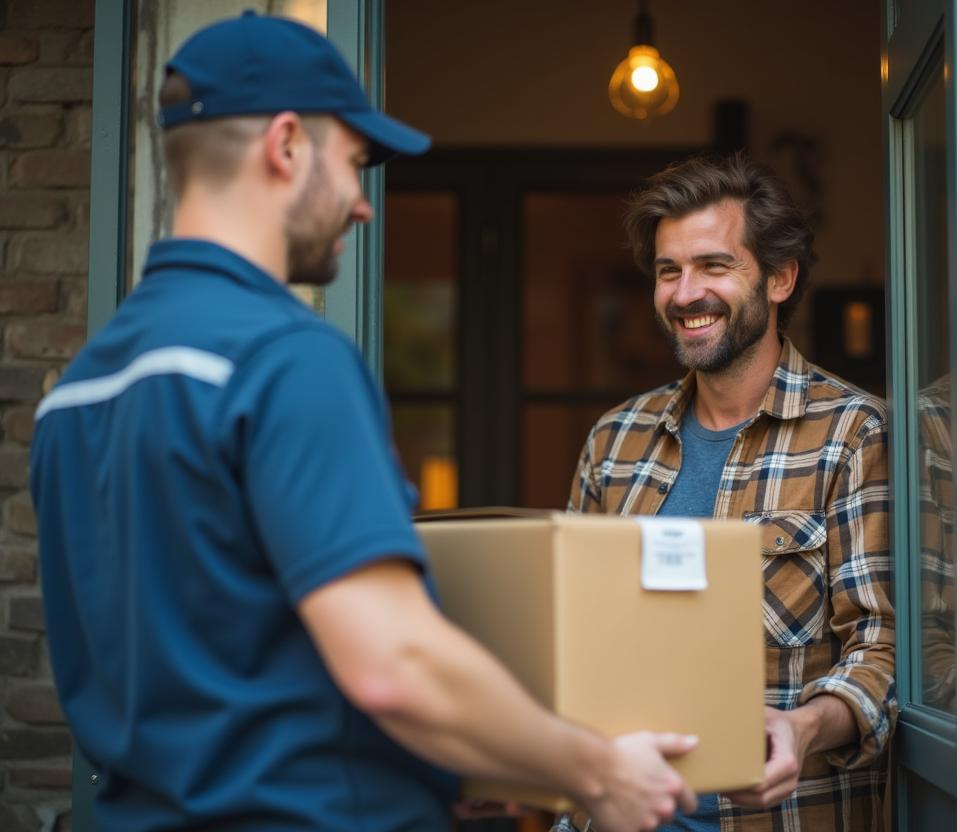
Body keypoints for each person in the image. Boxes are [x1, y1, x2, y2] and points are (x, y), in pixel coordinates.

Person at [29, 13, 696, 832]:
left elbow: (214, 658)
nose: (363, 206)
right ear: (285, 145)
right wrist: (596, 771)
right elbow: (393, 663)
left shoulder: (79, 391)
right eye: (353, 163)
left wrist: (492, 752)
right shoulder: (284, 358)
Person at [568, 155, 896, 830]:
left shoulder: (854, 434)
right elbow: (571, 641)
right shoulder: (613, 441)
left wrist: (805, 727)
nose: (686, 294)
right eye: (668, 271)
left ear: (779, 278)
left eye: (714, 266)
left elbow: (884, 645)